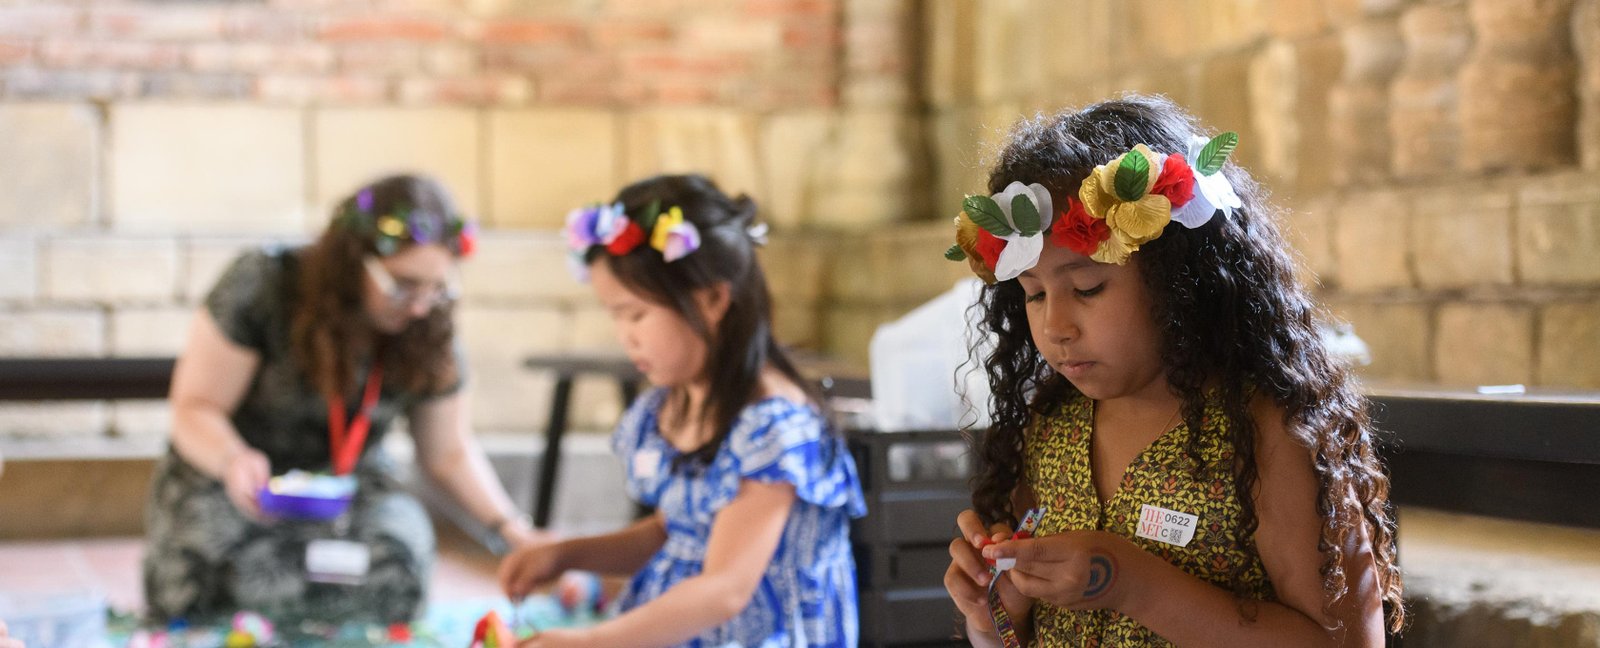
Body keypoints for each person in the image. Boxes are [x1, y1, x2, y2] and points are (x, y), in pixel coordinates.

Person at [940, 95, 1404, 646]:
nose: (1056, 325)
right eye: (1034, 295)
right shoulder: (1052, 425)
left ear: (1179, 278)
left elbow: (1349, 642)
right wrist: (993, 614)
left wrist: (1131, 583)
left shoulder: (1266, 433)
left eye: (1088, 287)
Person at [143, 174, 542, 623]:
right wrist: (233, 459)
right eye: (403, 285)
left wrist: (512, 531)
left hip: (348, 488)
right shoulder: (264, 284)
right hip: (236, 479)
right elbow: (195, 407)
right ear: (352, 262)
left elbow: (448, 452)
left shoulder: (427, 321)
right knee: (202, 578)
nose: (418, 306)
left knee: (401, 562)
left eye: (436, 288)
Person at [498, 174, 867, 647]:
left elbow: (725, 590)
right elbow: (676, 532)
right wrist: (566, 554)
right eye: (614, 315)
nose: (624, 335)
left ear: (712, 299)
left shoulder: (774, 428)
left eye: (636, 314)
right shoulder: (672, 406)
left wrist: (591, 642)